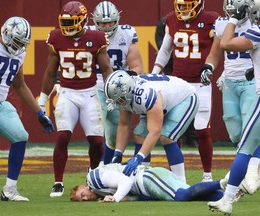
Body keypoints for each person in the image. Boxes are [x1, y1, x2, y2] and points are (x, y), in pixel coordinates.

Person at [0, 16, 54, 201]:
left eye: (23, 43)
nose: (19, 47)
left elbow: (20, 86)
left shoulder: (19, 53)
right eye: (17, 41)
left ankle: (9, 190)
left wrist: (39, 112)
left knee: (20, 136)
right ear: (7, 34)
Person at [37, 1, 113, 198]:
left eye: (71, 21)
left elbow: (106, 69)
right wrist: (42, 99)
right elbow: (50, 71)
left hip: (90, 92)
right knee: (63, 136)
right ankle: (58, 182)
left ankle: (93, 179)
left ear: (82, 20)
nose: (67, 26)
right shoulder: (56, 37)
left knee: (97, 141)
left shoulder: (96, 37)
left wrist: (111, 93)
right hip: (67, 93)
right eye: (65, 21)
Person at [151, 0, 220, 182]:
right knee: (174, 130)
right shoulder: (172, 19)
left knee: (202, 129)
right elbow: (165, 51)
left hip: (201, 82)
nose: (184, 10)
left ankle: (207, 175)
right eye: (181, 6)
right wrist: (154, 74)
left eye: (188, 5)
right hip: (177, 83)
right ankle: (177, 176)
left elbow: (221, 48)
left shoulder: (212, 20)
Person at [201, 0, 260, 199]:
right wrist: (209, 67)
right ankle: (245, 173)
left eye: (236, 10)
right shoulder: (221, 24)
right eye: (230, 10)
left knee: (249, 130)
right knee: (235, 133)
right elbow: (215, 52)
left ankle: (250, 175)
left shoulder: (254, 25)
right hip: (230, 83)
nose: (232, 13)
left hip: (251, 83)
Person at [104, 70, 199, 183]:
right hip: (161, 104)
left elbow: (155, 132)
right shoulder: (127, 94)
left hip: (183, 98)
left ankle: (180, 182)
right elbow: (124, 125)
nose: (117, 103)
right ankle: (140, 178)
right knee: (139, 135)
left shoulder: (146, 95)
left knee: (166, 137)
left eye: (119, 99)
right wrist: (118, 153)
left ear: (128, 90)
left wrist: (138, 157)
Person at [90, 1, 144, 164]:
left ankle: (106, 166)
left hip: (117, 88)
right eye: (102, 23)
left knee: (113, 134)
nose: (106, 26)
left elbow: (137, 66)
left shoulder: (126, 34)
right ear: (95, 22)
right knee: (97, 126)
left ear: (117, 20)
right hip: (96, 84)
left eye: (110, 22)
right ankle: (94, 168)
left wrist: (125, 78)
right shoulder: (88, 34)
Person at [70, 163, 224, 202]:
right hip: (149, 181)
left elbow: (126, 181)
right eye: (81, 200)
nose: (85, 198)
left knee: (182, 196)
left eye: (82, 194)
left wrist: (115, 198)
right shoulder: (99, 191)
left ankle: (226, 182)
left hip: (147, 179)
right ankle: (229, 194)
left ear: (85, 187)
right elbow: (133, 196)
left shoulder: (93, 179)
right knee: (193, 195)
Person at [155, 15, 198, 148]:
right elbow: (163, 48)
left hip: (189, 69)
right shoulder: (166, 21)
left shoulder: (200, 22)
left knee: (192, 103)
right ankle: (173, 137)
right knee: (171, 106)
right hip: (171, 70)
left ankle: (191, 136)